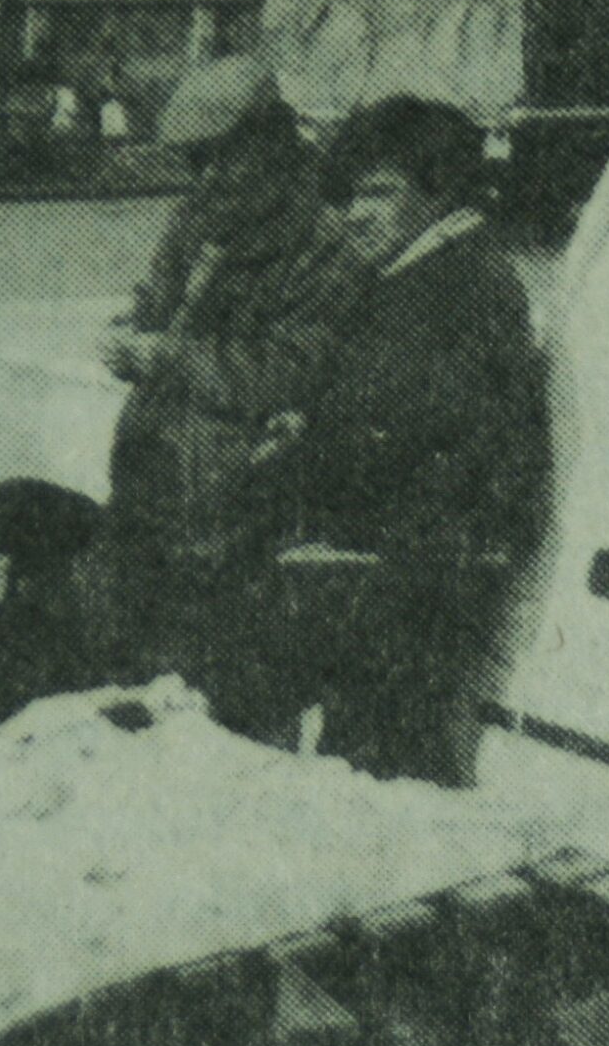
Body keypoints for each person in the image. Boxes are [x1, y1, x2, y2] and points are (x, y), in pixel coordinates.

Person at [75, 53, 366, 728]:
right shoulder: (197, 219)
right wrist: (128, 333)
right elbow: (154, 304)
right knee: (121, 687)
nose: (204, 179)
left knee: (216, 712)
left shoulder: (322, 242)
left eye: (218, 158)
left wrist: (171, 356)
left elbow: (295, 369)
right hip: (153, 483)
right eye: (193, 162)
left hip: (236, 517)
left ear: (269, 145)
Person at [274, 96, 548, 784]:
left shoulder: (459, 284)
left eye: (378, 193)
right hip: (401, 563)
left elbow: (402, 434)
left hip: (418, 575)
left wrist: (307, 449)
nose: (353, 215)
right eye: (345, 197)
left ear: (439, 187)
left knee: (382, 778)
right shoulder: (422, 272)